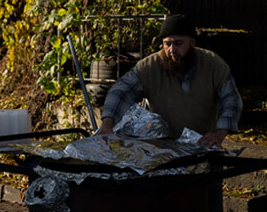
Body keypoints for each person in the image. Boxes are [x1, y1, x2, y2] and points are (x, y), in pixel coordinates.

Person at [97, 14, 242, 148]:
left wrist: (219, 133)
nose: (172, 49)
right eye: (167, 44)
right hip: (162, 149)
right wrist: (107, 125)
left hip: (204, 145)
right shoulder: (149, 67)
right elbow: (121, 92)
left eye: (178, 43)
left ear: (192, 43)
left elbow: (231, 100)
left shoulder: (213, 64)